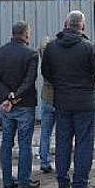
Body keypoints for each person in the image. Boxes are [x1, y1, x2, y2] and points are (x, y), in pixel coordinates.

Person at [41, 11, 95, 188]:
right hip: (85, 102)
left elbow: (46, 74)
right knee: (84, 142)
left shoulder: (51, 48)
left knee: (62, 141)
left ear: (66, 24)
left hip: (62, 101)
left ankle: (62, 180)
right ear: (82, 26)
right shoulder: (89, 47)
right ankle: (80, 182)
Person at [0, 21, 40, 188]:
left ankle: (7, 181)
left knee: (6, 142)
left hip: (5, 106)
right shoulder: (31, 54)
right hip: (24, 104)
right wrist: (15, 96)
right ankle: (24, 181)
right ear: (26, 34)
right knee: (24, 143)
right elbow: (29, 80)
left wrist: (6, 96)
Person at [38, 36, 55, 174]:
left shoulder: (43, 61)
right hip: (60, 99)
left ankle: (44, 161)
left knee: (45, 132)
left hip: (46, 98)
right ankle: (61, 160)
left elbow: (43, 44)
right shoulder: (60, 61)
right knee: (62, 133)